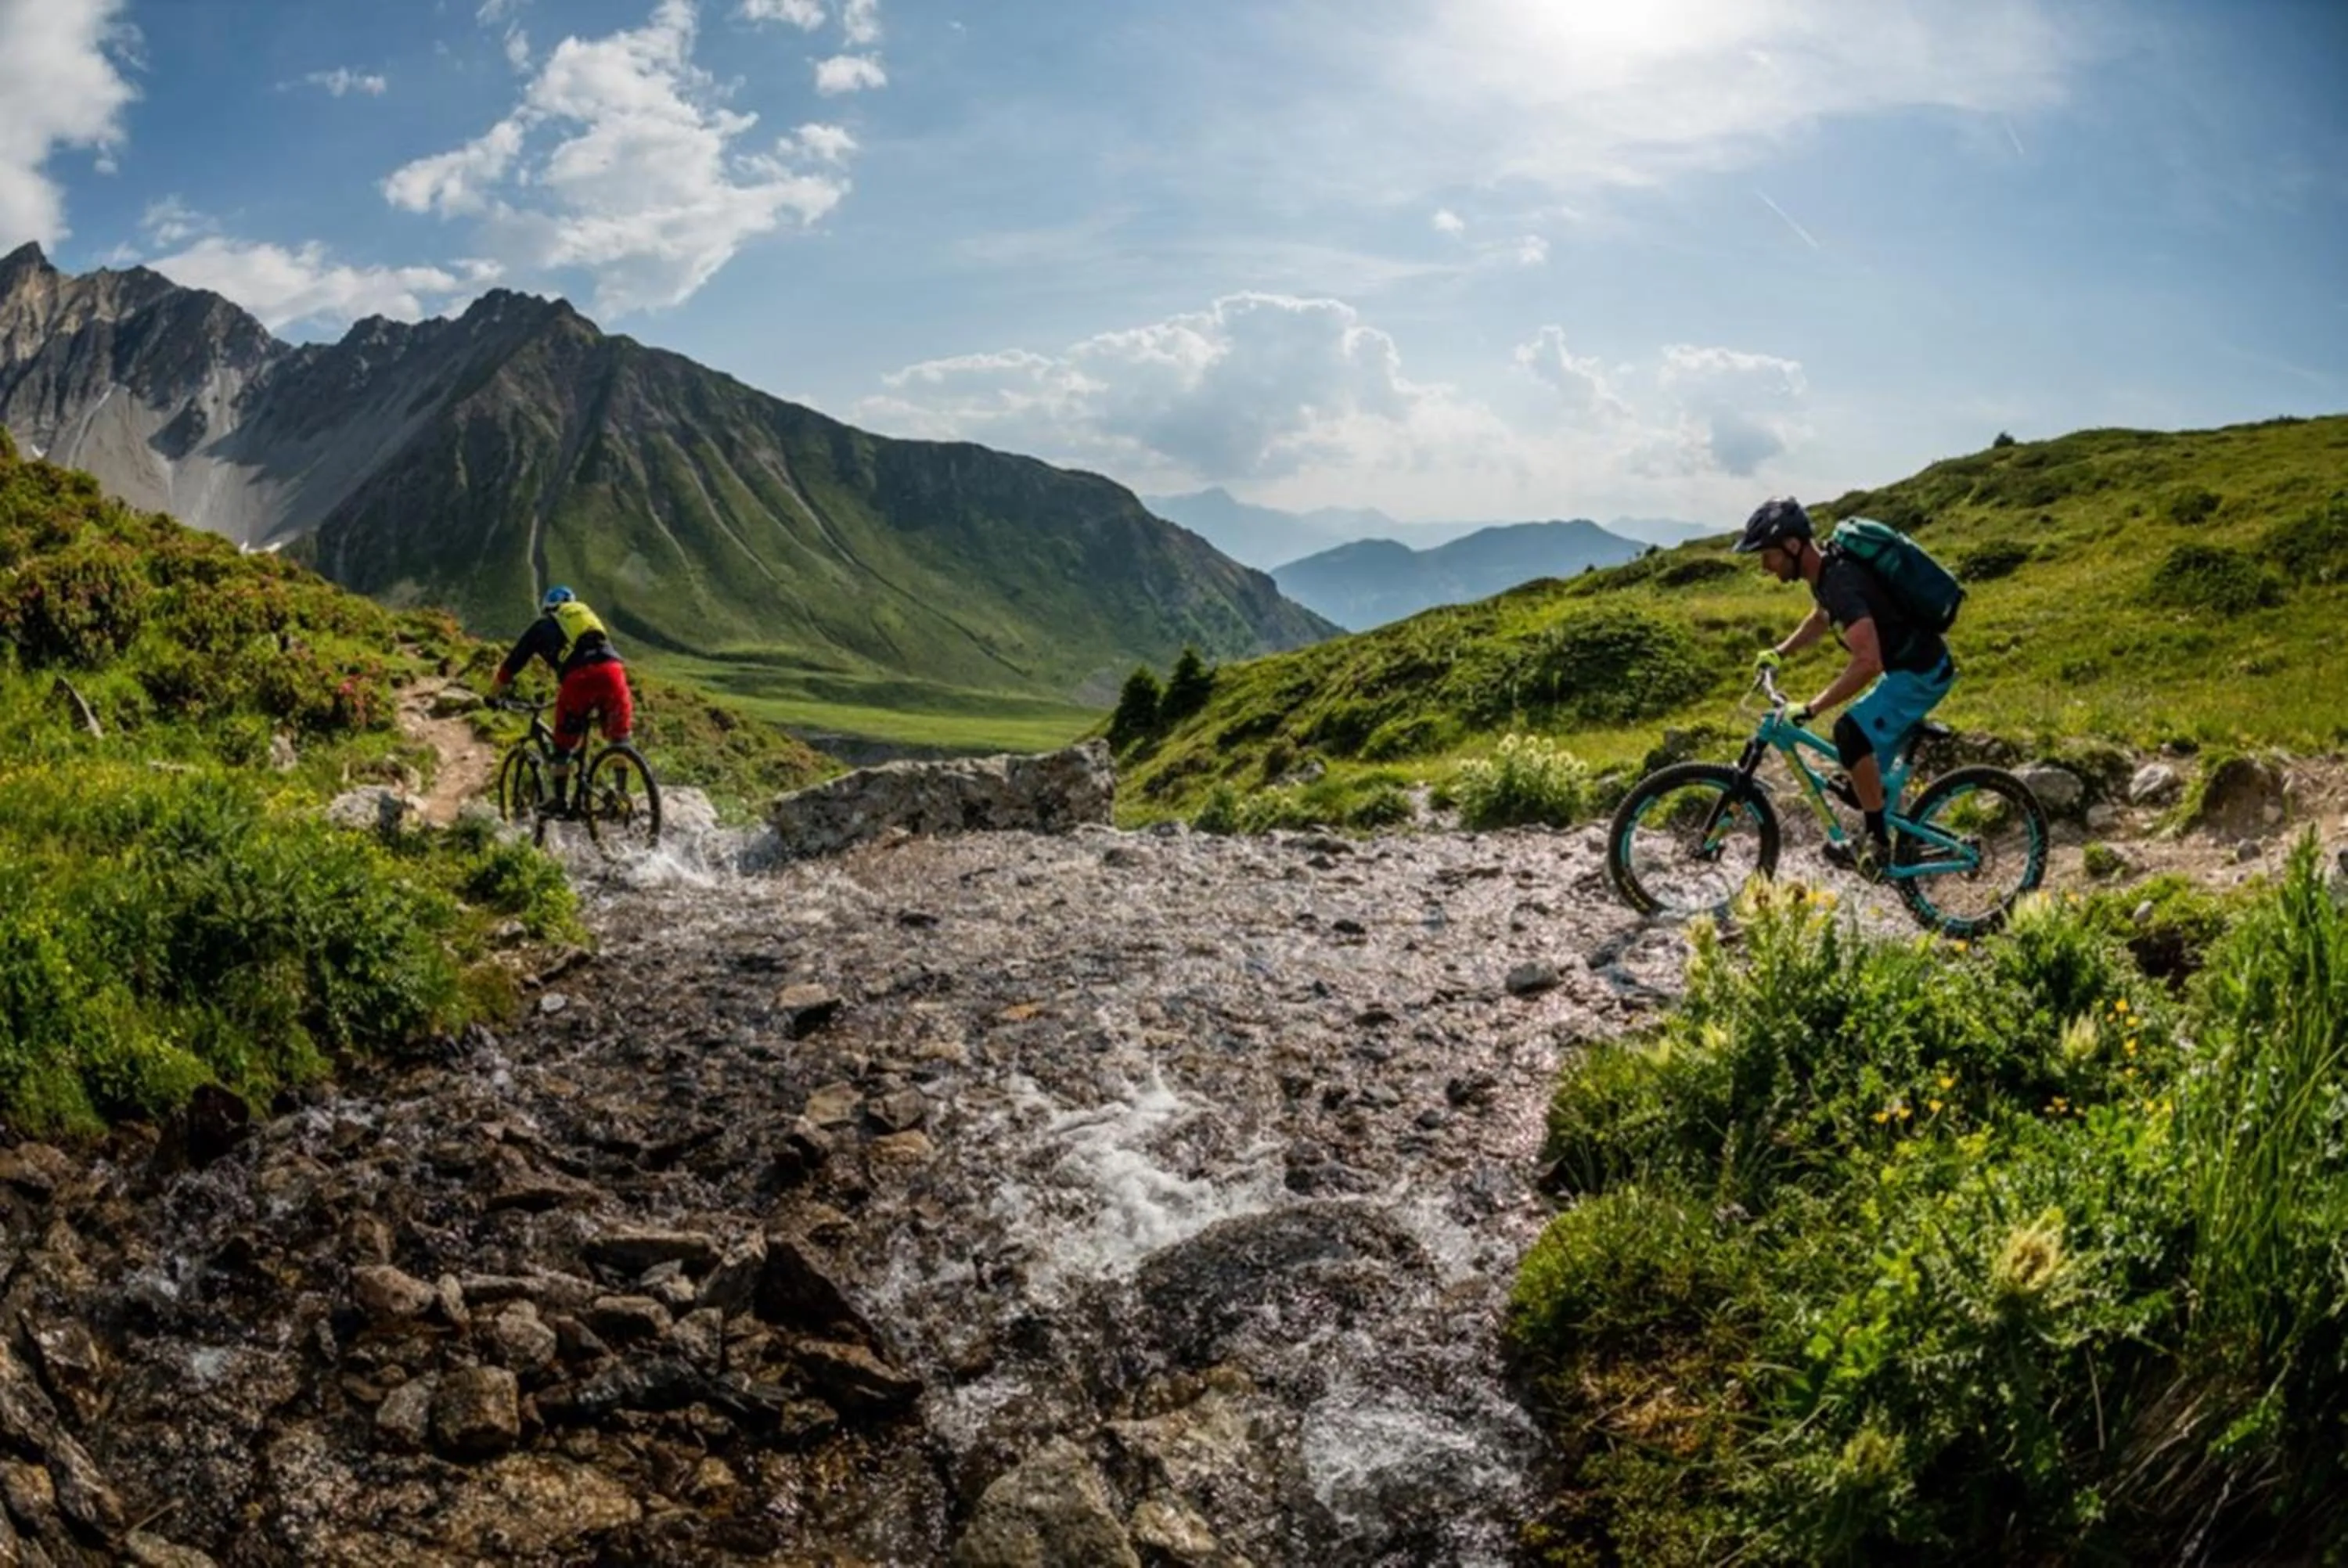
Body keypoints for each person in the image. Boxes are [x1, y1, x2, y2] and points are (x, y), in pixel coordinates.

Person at [1734, 497, 1956, 879]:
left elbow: (1868, 661)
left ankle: (1877, 845)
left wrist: (1811, 708)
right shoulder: (1826, 574)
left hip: (1920, 674)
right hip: (1907, 669)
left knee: (1849, 732)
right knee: (1858, 782)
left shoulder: (1841, 581)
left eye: (1767, 555)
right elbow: (1822, 618)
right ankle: (1903, 837)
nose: (1765, 567)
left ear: (1791, 546)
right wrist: (1779, 652)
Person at [489, 585, 634, 817]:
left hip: (579, 679)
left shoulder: (543, 626)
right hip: (613, 672)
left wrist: (493, 694)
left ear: (548, 609)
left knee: (563, 744)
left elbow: (513, 663)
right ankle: (622, 793)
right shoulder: (587, 618)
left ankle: (559, 800)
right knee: (619, 736)